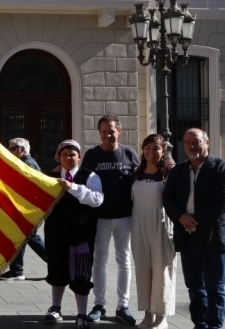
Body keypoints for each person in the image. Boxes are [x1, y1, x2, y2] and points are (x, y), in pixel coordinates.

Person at [163, 128, 225, 329]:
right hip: (187, 236)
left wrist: (196, 219)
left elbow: (223, 199)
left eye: (196, 141)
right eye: (187, 142)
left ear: (206, 143)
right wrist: (180, 216)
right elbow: (168, 197)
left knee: (215, 287)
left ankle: (214, 325)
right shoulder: (178, 171)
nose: (192, 146)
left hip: (212, 236)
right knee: (194, 286)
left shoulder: (222, 168)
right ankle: (199, 323)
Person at [81, 115, 139, 324]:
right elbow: (82, 182)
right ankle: (99, 305)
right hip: (99, 218)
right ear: (99, 133)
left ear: (119, 131)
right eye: (104, 131)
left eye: (111, 130)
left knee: (124, 260)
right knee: (99, 260)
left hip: (124, 216)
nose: (108, 135)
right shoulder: (92, 155)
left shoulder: (129, 153)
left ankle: (123, 306)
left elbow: (139, 180)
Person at [43, 139, 103, 329]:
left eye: (72, 154)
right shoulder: (49, 177)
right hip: (56, 233)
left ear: (80, 156)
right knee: (57, 270)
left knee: (81, 274)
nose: (68, 158)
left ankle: (82, 315)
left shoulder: (90, 176)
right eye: (64, 154)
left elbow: (97, 199)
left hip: (81, 234)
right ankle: (55, 308)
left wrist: (73, 188)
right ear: (58, 157)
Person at [131, 134, 175, 329]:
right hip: (139, 226)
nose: (151, 152)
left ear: (163, 151)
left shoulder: (170, 174)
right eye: (147, 147)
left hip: (162, 226)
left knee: (162, 271)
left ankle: (162, 315)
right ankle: (148, 314)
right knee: (143, 271)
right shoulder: (135, 173)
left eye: (156, 148)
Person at [0, 137, 47, 281]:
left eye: (13, 148)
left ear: (23, 149)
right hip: (25, 209)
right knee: (21, 238)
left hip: (28, 210)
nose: (11, 151)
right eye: (10, 148)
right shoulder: (23, 163)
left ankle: (58, 264)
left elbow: (30, 188)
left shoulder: (28, 164)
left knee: (29, 237)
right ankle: (16, 270)